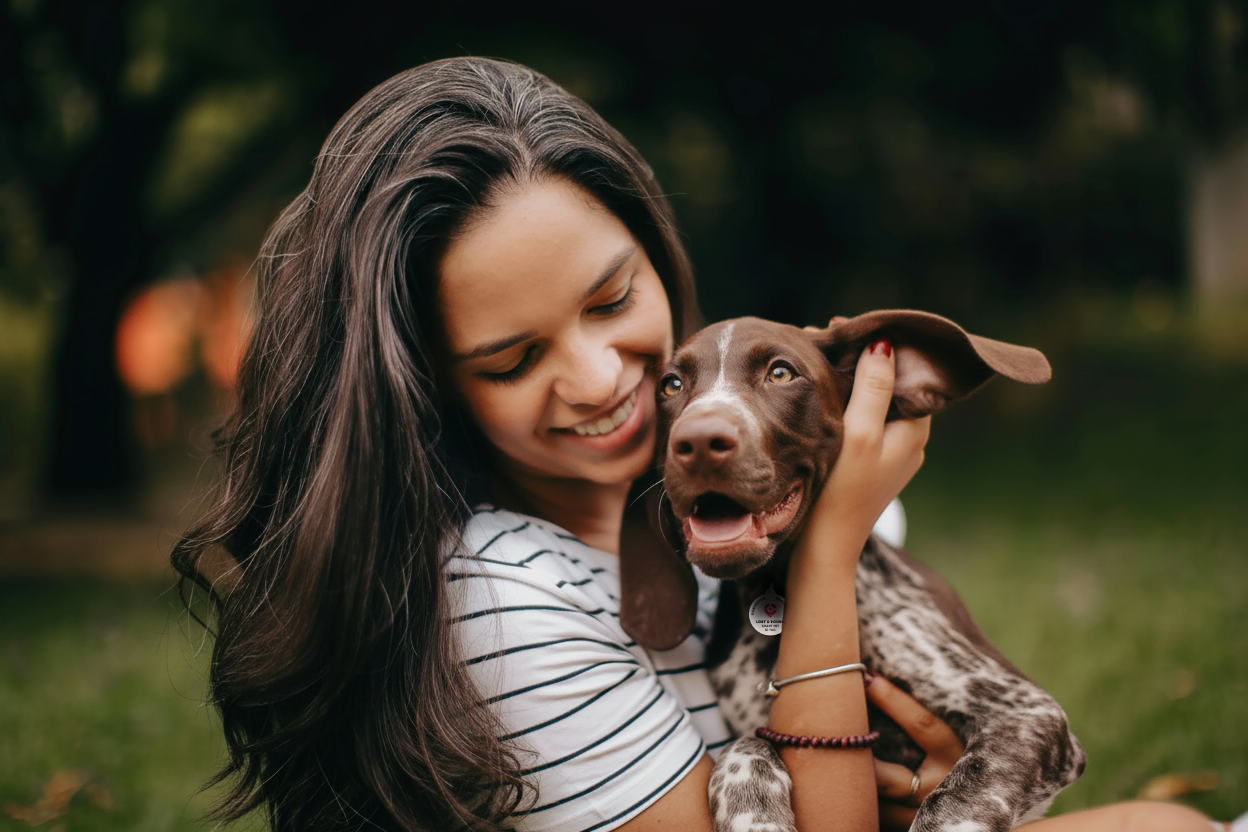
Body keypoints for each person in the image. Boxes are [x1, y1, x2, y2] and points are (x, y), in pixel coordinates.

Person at [172, 57, 1233, 832]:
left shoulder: (706, 490)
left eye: (614, 297)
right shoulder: (501, 599)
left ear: (652, 240)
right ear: (429, 388)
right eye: (509, 360)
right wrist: (828, 547)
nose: (602, 382)